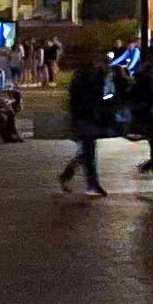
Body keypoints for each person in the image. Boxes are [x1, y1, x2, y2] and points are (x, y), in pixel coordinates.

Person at [57, 46, 108, 196]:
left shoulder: (84, 76)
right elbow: (88, 97)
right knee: (88, 149)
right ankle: (91, 183)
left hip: (85, 116)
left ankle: (70, 176)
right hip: (86, 116)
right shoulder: (88, 76)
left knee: (86, 150)